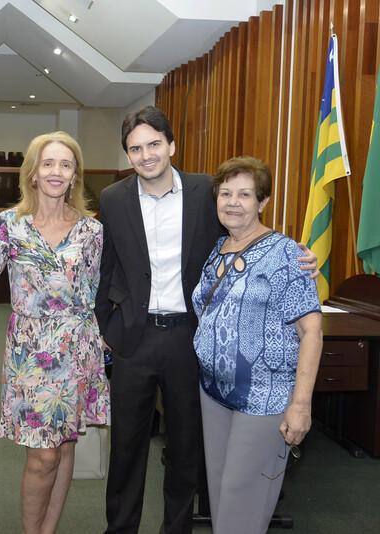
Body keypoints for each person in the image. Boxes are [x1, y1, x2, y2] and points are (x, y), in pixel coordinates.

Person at [95, 106, 318, 534]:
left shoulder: (205, 192)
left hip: (189, 338)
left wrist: (303, 257)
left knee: (185, 447)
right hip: (132, 339)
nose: (146, 155)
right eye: (135, 148)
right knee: (125, 446)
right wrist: (105, 324)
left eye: (154, 144)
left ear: (172, 145)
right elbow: (107, 266)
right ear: (127, 154)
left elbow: (247, 231)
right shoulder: (113, 198)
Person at [0, 131, 109, 533]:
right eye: (48, 163)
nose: (56, 172)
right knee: (42, 457)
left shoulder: (91, 230)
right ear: (33, 172)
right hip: (31, 354)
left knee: (65, 445)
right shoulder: (10, 225)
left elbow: (96, 290)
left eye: (65, 165)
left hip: (78, 347)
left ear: (75, 175)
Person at [192, 156, 322, 533]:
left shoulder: (287, 254)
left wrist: (301, 406)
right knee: (221, 496)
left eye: (245, 194)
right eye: (226, 193)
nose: (233, 202)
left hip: (265, 398)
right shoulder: (218, 248)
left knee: (242, 499)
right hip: (213, 393)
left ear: (263, 202)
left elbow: (311, 332)